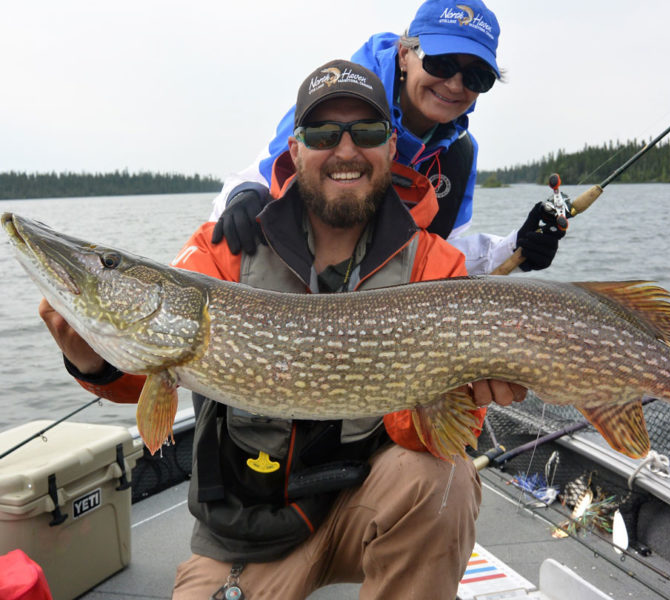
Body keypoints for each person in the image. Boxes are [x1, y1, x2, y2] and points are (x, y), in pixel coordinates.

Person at [39, 59, 526, 599]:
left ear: (391, 148)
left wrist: (458, 391)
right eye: (322, 133)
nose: (345, 150)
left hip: (359, 508)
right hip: (246, 536)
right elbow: (141, 374)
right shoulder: (225, 245)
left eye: (366, 133)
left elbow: (428, 436)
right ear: (294, 150)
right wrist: (92, 359)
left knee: (444, 481)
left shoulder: (433, 265)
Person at [209, 0, 564, 275]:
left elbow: (437, 258)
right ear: (405, 54)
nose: (455, 85)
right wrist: (243, 196)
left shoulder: (459, 152)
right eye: (440, 64)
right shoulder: (339, 100)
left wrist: (515, 248)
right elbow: (263, 175)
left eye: (476, 78)